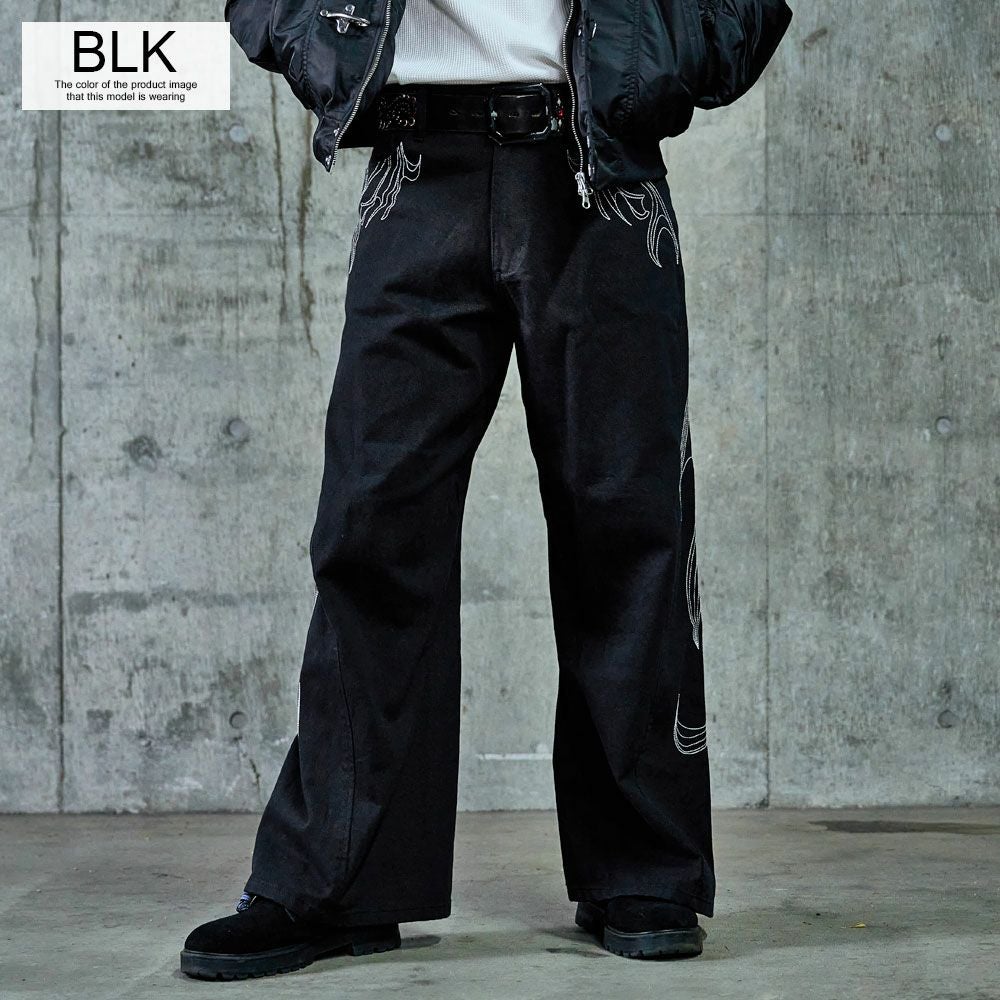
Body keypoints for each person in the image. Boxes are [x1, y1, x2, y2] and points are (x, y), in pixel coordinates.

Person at [180, 0, 792, 980]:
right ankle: (337, 877)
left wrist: (654, 70)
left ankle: (642, 866)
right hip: (417, 166)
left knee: (626, 525)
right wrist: (320, 49)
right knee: (372, 528)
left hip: (599, 172)